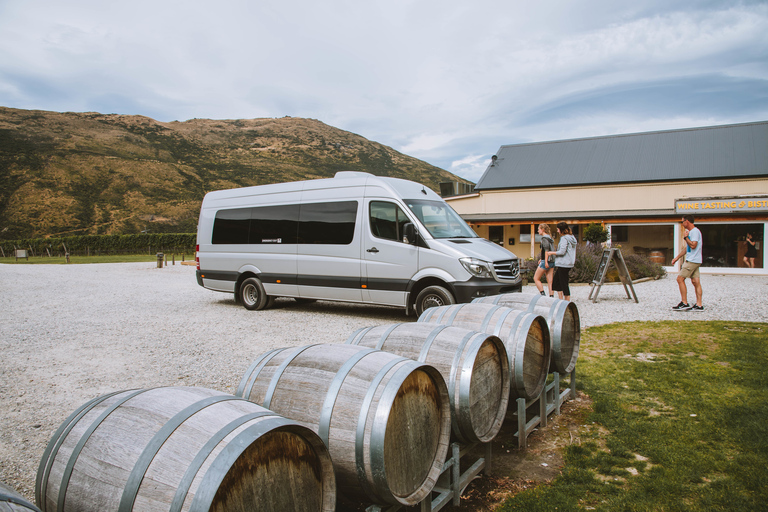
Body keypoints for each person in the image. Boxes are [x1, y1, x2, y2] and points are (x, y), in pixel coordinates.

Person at [671, 215, 703, 311]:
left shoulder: (694, 232)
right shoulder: (692, 232)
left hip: (692, 261)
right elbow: (687, 248)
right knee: (695, 282)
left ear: (687, 221)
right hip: (695, 260)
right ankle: (699, 305)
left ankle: (684, 303)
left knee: (680, 279)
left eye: (682, 221)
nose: (682, 223)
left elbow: (693, 245)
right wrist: (677, 258)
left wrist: (685, 238)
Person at [546, 222, 577, 301]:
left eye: (557, 229)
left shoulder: (564, 238)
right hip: (568, 263)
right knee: (556, 283)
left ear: (561, 230)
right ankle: (561, 301)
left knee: (564, 284)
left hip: (564, 264)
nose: (557, 231)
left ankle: (567, 303)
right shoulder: (572, 237)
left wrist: (551, 253)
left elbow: (562, 252)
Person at [534, 223, 555, 297]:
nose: (538, 231)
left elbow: (546, 251)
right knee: (550, 281)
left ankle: (543, 294)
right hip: (552, 261)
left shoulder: (544, 238)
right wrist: (541, 258)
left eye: (539, 229)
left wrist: (545, 261)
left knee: (536, 278)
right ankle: (551, 296)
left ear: (543, 230)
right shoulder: (550, 238)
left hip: (546, 261)